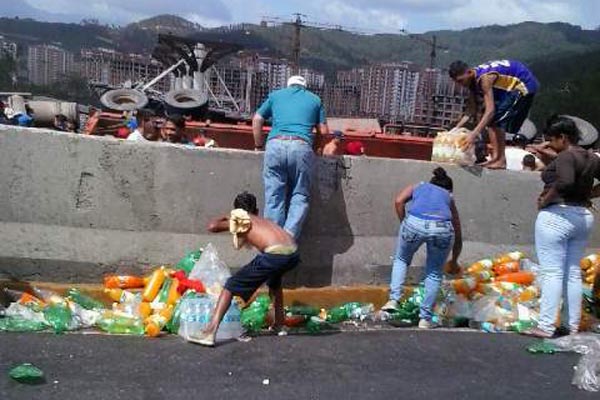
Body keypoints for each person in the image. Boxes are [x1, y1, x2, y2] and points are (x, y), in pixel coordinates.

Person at [191, 192, 300, 347]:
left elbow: (212, 226)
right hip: (293, 252)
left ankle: (209, 332)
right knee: (275, 282)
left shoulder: (242, 219)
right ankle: (280, 324)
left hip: (274, 254)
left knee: (230, 285)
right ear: (256, 210)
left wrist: (226, 218)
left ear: (237, 210)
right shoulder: (264, 221)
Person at [525, 116, 600, 338]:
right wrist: (589, 195)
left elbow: (565, 181)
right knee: (572, 272)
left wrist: (546, 199)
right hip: (582, 216)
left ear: (563, 137)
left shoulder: (567, 156)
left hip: (558, 215)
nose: (549, 143)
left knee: (552, 273)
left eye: (551, 139)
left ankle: (546, 325)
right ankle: (571, 325)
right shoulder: (591, 158)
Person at [381, 167, 463, 329]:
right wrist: (454, 260)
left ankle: (394, 299)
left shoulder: (419, 186)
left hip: (413, 223)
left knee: (402, 259)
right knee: (433, 272)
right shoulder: (448, 197)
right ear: (449, 190)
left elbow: (398, 201)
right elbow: (457, 230)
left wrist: (404, 223)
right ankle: (425, 318)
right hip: (442, 228)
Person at [252, 75, 329, 239]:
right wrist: (315, 148)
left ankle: (272, 241)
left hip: (275, 145)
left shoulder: (275, 95)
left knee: (274, 194)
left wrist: (258, 146)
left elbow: (257, 119)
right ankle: (287, 239)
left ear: (289, 85)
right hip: (301, 146)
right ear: (304, 87)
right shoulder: (315, 100)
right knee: (300, 194)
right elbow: (323, 132)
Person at [449, 59, 539, 169]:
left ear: (469, 72)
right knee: (492, 121)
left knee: (496, 119)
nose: (461, 85)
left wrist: (474, 134)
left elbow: (490, 111)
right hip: (506, 87)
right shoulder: (472, 81)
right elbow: (470, 111)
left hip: (523, 84)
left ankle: (500, 160)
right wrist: (454, 130)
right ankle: (496, 158)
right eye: (457, 82)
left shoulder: (485, 79)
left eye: (461, 81)